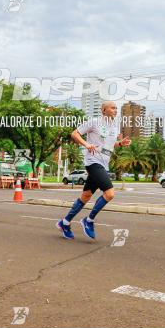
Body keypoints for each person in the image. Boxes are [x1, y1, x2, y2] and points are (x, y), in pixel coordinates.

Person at [57, 101, 131, 240]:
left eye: (116, 108)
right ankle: (89, 220)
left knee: (86, 196)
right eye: (112, 108)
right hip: (93, 162)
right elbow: (75, 134)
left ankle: (64, 223)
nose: (115, 110)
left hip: (104, 164)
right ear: (103, 110)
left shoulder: (114, 126)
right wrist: (86, 144)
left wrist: (120, 143)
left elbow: (108, 144)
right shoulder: (94, 122)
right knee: (109, 194)